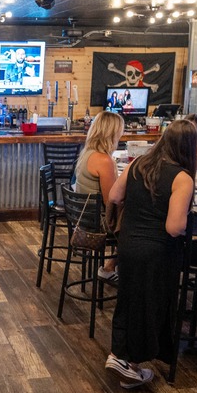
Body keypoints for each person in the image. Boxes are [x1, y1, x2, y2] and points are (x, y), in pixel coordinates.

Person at [104, 119, 197, 389]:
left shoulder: (137, 165)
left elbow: (114, 195)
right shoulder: (182, 178)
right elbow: (174, 226)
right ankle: (132, 365)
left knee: (128, 299)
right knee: (151, 306)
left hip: (128, 245)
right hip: (156, 251)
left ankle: (118, 353)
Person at [71, 111, 124, 280]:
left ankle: (116, 267)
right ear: (112, 133)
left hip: (83, 217)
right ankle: (110, 269)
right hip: (96, 222)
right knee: (137, 228)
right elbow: (111, 200)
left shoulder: (87, 153)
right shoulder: (104, 160)